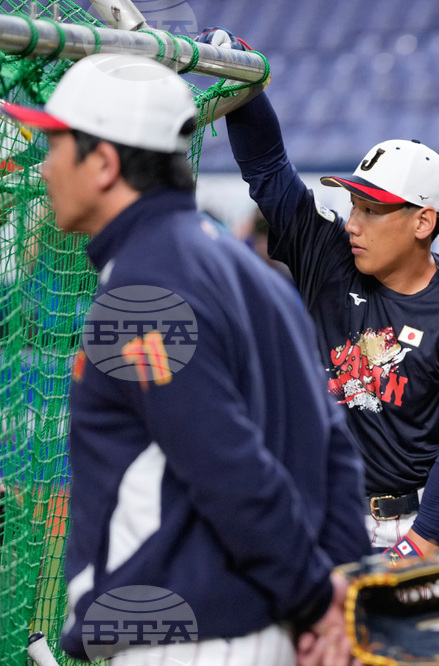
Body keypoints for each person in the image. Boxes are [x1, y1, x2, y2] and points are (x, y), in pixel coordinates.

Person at [1, 53, 368, 665]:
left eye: (56, 144)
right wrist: (334, 597)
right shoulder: (243, 264)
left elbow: (226, 463)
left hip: (185, 636)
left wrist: (313, 601)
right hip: (256, 628)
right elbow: (333, 448)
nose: (46, 166)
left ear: (104, 163)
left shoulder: (141, 288)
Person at [203, 27, 439, 620]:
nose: (353, 222)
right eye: (352, 205)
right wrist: (243, 80)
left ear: (423, 222)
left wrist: (416, 548)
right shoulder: (329, 257)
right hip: (343, 516)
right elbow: (268, 169)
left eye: (371, 209)